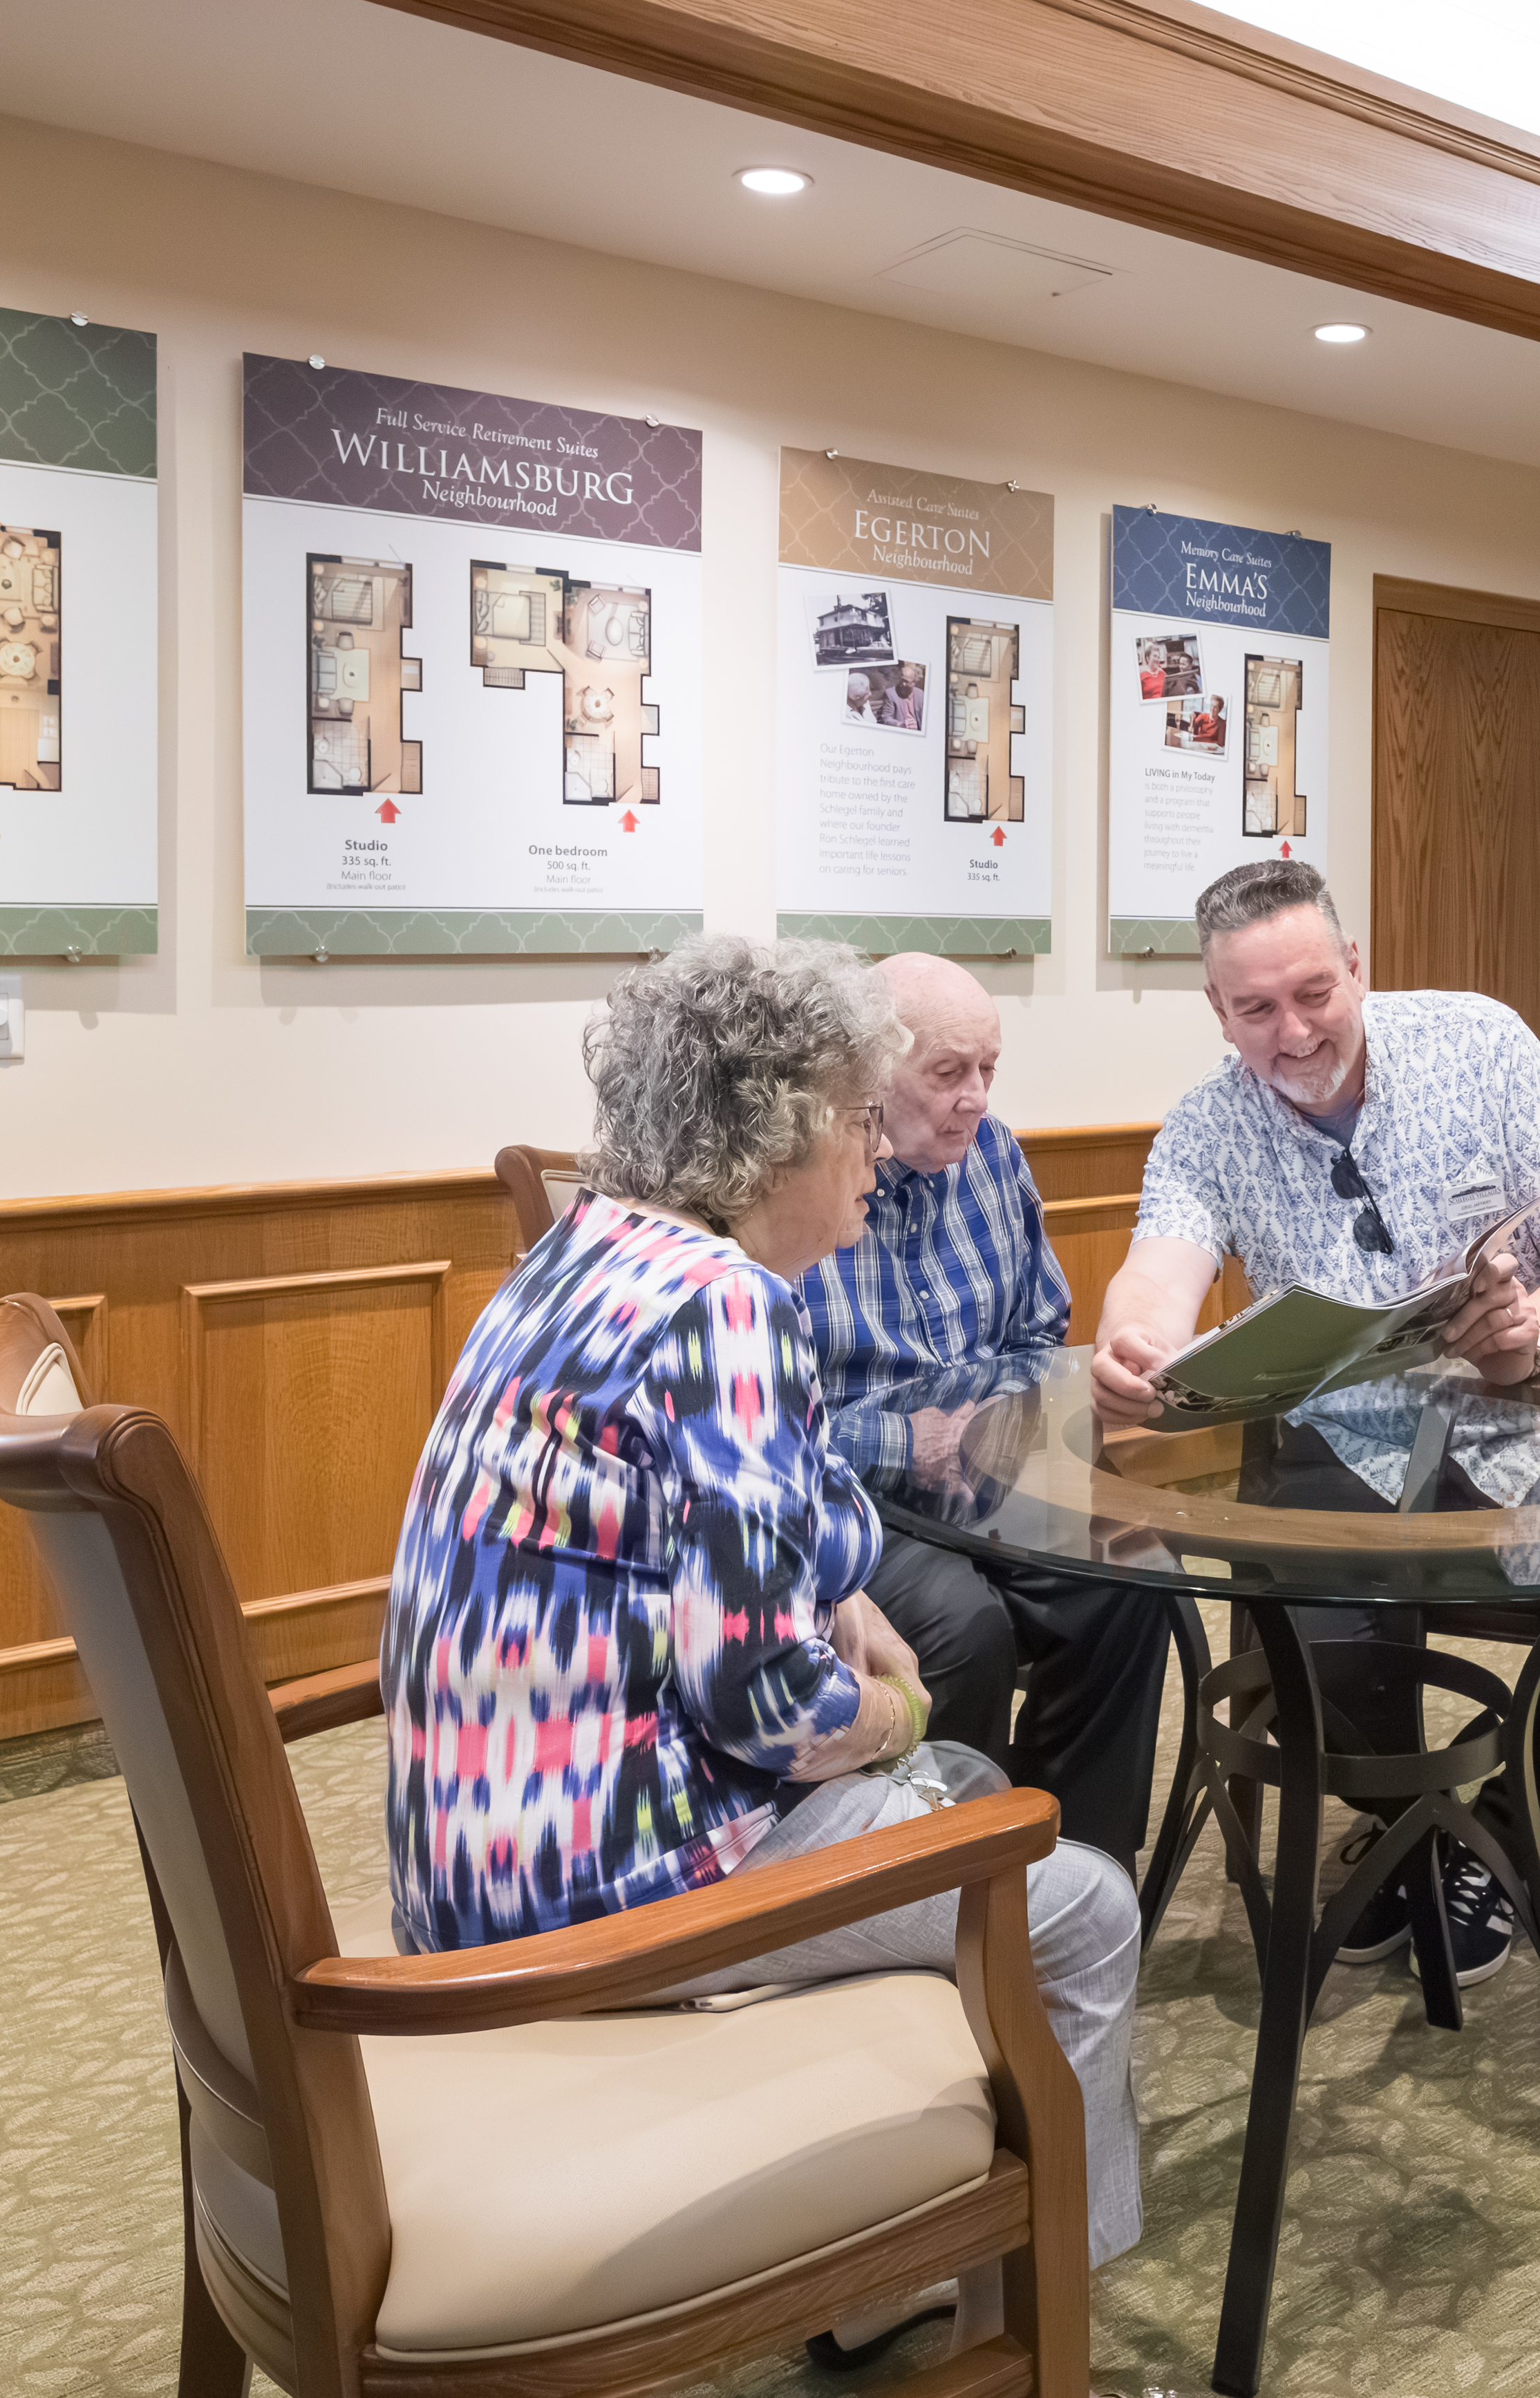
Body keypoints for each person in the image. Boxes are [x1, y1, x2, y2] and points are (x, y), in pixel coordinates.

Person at [378, 934, 1141, 2337]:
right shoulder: (727, 1304)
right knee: (1083, 1910)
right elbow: (770, 1711)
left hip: (473, 1862)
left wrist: (850, 1599)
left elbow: (746, 1520)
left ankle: (874, 2268)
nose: (874, 1150)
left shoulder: (582, 1257)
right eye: (859, 1116)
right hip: (611, 1898)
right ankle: (1045, 2344)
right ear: (779, 1128)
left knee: (969, 1801)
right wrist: (896, 1711)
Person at [1089, 859, 1540, 1985]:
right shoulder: (1209, 1128)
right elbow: (1157, 1274)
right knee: (1321, 1643)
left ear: (1357, 966)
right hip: (1353, 1442)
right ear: (1218, 1012)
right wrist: (1132, 1342)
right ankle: (1414, 1837)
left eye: (1315, 992)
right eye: (1257, 1010)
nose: (1296, 1032)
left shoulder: (1479, 1043)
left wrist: (1534, 1335)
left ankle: (1501, 1840)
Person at [795, 953, 1174, 1864]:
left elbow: (1041, 1329)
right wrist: (905, 1442)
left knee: (1130, 1574)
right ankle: (936, 1893)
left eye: (988, 1070)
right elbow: (767, 1416)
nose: (975, 1098)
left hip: (984, 1469)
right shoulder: (802, 1183)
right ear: (873, 1074)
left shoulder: (994, 1154)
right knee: (965, 1627)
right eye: (948, 1073)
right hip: (848, 1493)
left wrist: (1013, 1424)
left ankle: (1074, 1868)